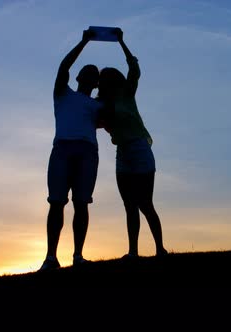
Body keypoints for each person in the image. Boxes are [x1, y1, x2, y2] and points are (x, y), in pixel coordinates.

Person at [97, 28, 168, 259]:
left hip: (139, 149)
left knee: (146, 204)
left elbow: (134, 69)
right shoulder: (102, 105)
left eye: (107, 79)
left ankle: (160, 249)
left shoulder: (127, 94)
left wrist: (121, 43)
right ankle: (133, 252)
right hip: (123, 154)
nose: (105, 83)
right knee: (130, 206)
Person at [39, 29, 106, 271]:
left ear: (96, 83)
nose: (90, 74)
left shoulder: (98, 105)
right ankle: (50, 257)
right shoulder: (62, 93)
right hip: (62, 150)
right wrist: (84, 41)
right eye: (86, 72)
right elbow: (63, 66)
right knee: (56, 203)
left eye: (94, 75)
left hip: (87, 152)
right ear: (77, 77)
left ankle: (78, 255)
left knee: (81, 203)